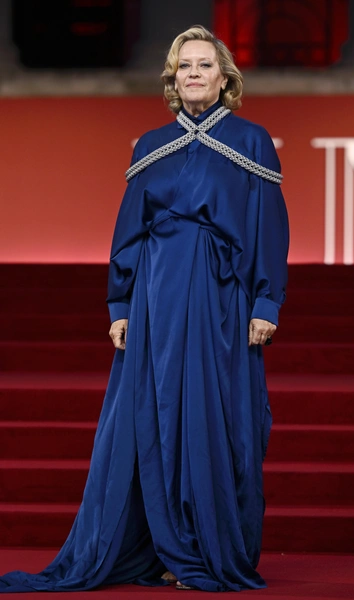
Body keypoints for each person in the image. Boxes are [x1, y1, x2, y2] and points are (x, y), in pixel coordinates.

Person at [0, 25, 289, 593]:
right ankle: (162, 546)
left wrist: (266, 301)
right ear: (172, 79)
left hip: (220, 299)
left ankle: (205, 549)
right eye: (185, 66)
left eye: (205, 65)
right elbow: (129, 230)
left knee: (218, 420)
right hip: (155, 297)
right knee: (154, 418)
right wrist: (120, 304)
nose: (194, 74)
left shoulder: (252, 140)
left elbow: (268, 227)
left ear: (226, 78)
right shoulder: (150, 145)